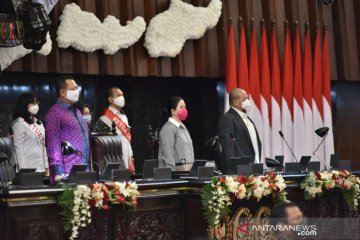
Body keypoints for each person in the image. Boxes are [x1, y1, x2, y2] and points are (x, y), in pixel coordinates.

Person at [45, 75, 90, 184]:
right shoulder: (54, 113)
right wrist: (58, 172)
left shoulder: (78, 112)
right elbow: (53, 145)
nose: (77, 91)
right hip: (67, 172)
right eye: (73, 89)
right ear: (62, 92)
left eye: (77, 88)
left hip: (84, 168)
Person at [217, 88, 261, 173]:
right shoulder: (228, 118)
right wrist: (232, 172)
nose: (248, 101)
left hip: (253, 167)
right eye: (244, 99)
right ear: (235, 102)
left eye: (247, 98)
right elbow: (227, 147)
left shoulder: (247, 118)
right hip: (239, 171)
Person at [92, 87, 135, 173]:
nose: (122, 97)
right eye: (119, 95)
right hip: (114, 163)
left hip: (127, 158)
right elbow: (96, 143)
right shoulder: (104, 118)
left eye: (122, 95)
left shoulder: (123, 116)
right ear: (110, 99)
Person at [11, 93, 49, 174]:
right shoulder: (19, 123)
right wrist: (23, 170)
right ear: (25, 105)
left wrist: (46, 166)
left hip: (40, 167)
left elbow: (43, 146)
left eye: (36, 103)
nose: (36, 105)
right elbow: (18, 148)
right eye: (33, 103)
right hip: (27, 167)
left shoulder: (38, 122)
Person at [158, 96, 194, 170]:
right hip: (174, 176)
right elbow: (168, 155)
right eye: (181, 107)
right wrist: (172, 175)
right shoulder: (168, 129)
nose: (185, 110)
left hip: (187, 174)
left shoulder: (183, 127)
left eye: (185, 107)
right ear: (173, 111)